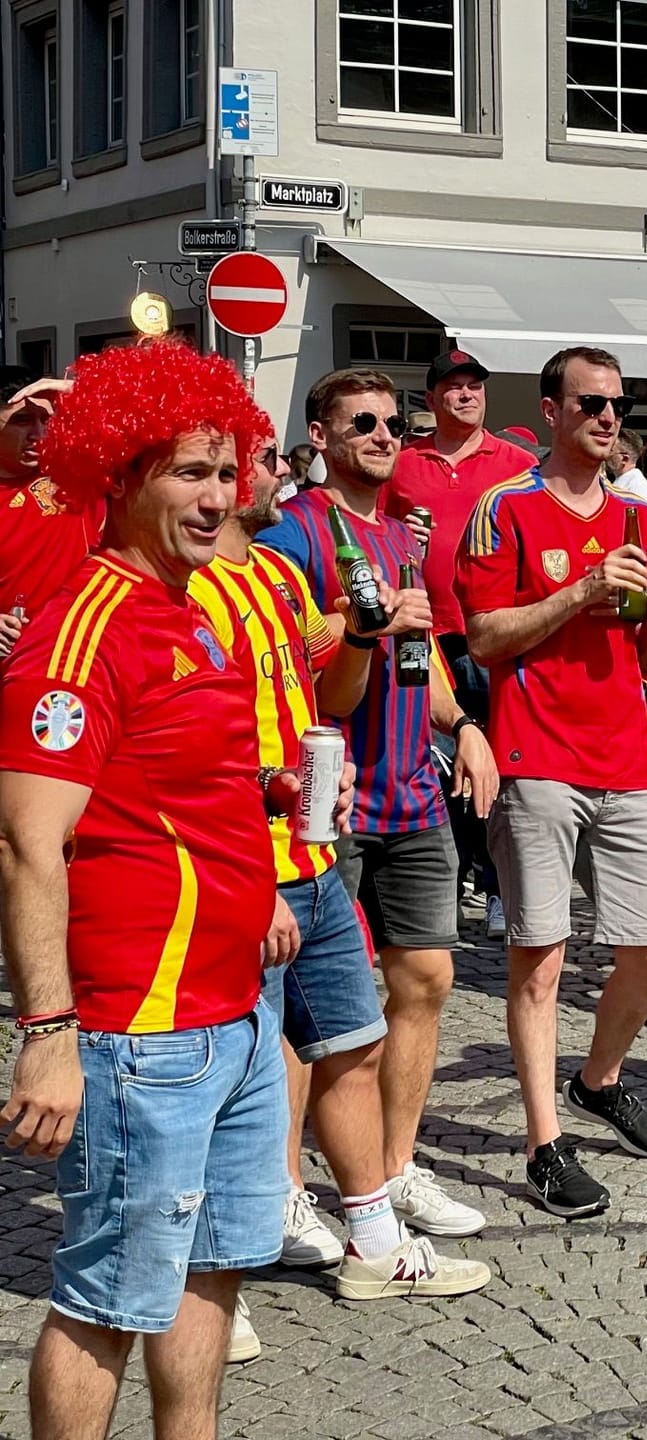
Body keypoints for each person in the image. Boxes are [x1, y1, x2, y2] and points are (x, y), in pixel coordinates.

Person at [0, 342, 285, 1435]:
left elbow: (197, 790)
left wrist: (256, 892)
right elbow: (30, 843)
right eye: (188, 472)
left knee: (213, 1271)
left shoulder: (193, 603)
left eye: (229, 470)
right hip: (139, 1030)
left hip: (234, 1016)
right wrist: (49, 1030)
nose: (219, 497)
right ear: (118, 475)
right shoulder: (84, 629)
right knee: (107, 1301)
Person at [195, 438, 490, 1299]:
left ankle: (372, 1238)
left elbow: (332, 699)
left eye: (236, 466)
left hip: (313, 850)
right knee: (241, 1070)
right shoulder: (182, 589)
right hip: (249, 864)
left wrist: (360, 637)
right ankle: (218, 1283)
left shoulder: (275, 579)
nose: (262, 475)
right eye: (224, 466)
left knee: (353, 1044)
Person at [258, 367, 501, 1238]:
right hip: (326, 798)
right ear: (318, 436)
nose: (382, 434)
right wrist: (355, 624)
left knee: (427, 978)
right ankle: (283, 1189)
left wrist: (464, 722)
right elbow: (285, 653)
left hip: (412, 790)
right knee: (306, 1004)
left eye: (394, 422)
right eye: (361, 420)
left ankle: (395, 1166)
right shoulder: (294, 530)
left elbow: (424, 650)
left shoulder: (403, 533)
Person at [457, 345, 647, 1218]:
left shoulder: (637, 517)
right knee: (541, 960)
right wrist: (581, 590)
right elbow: (484, 637)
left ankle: (599, 1079)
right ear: (551, 409)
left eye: (617, 403)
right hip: (537, 755)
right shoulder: (505, 507)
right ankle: (544, 1144)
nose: (606, 416)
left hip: (624, 754)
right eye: (589, 402)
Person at [383, 349, 536, 940]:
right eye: (453, 387)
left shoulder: (517, 462)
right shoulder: (402, 463)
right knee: (424, 762)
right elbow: (377, 529)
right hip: (421, 630)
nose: (466, 395)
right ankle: (440, 883)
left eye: (475, 386)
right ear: (431, 399)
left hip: (486, 634)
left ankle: (499, 888)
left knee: (494, 760)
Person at [0, 368, 102, 658]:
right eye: (22, 421)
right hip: (22, 667)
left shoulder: (77, 466)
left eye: (46, 419)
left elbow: (161, 419)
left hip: (92, 648)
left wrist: (75, 390)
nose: (39, 434)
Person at [608, 427, 647, 506]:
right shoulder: (623, 481)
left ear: (624, 458)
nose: (607, 455)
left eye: (611, 451)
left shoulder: (637, 487)